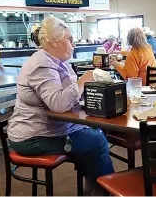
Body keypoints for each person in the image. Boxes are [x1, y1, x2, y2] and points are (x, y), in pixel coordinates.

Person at [7, 17, 114, 195]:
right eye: (70, 40)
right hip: (32, 137)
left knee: (95, 133)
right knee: (97, 141)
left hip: (48, 128)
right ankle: (103, 190)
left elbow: (72, 95)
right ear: (54, 42)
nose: (74, 44)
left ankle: (96, 187)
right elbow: (58, 104)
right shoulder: (41, 64)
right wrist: (85, 79)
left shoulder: (58, 62)